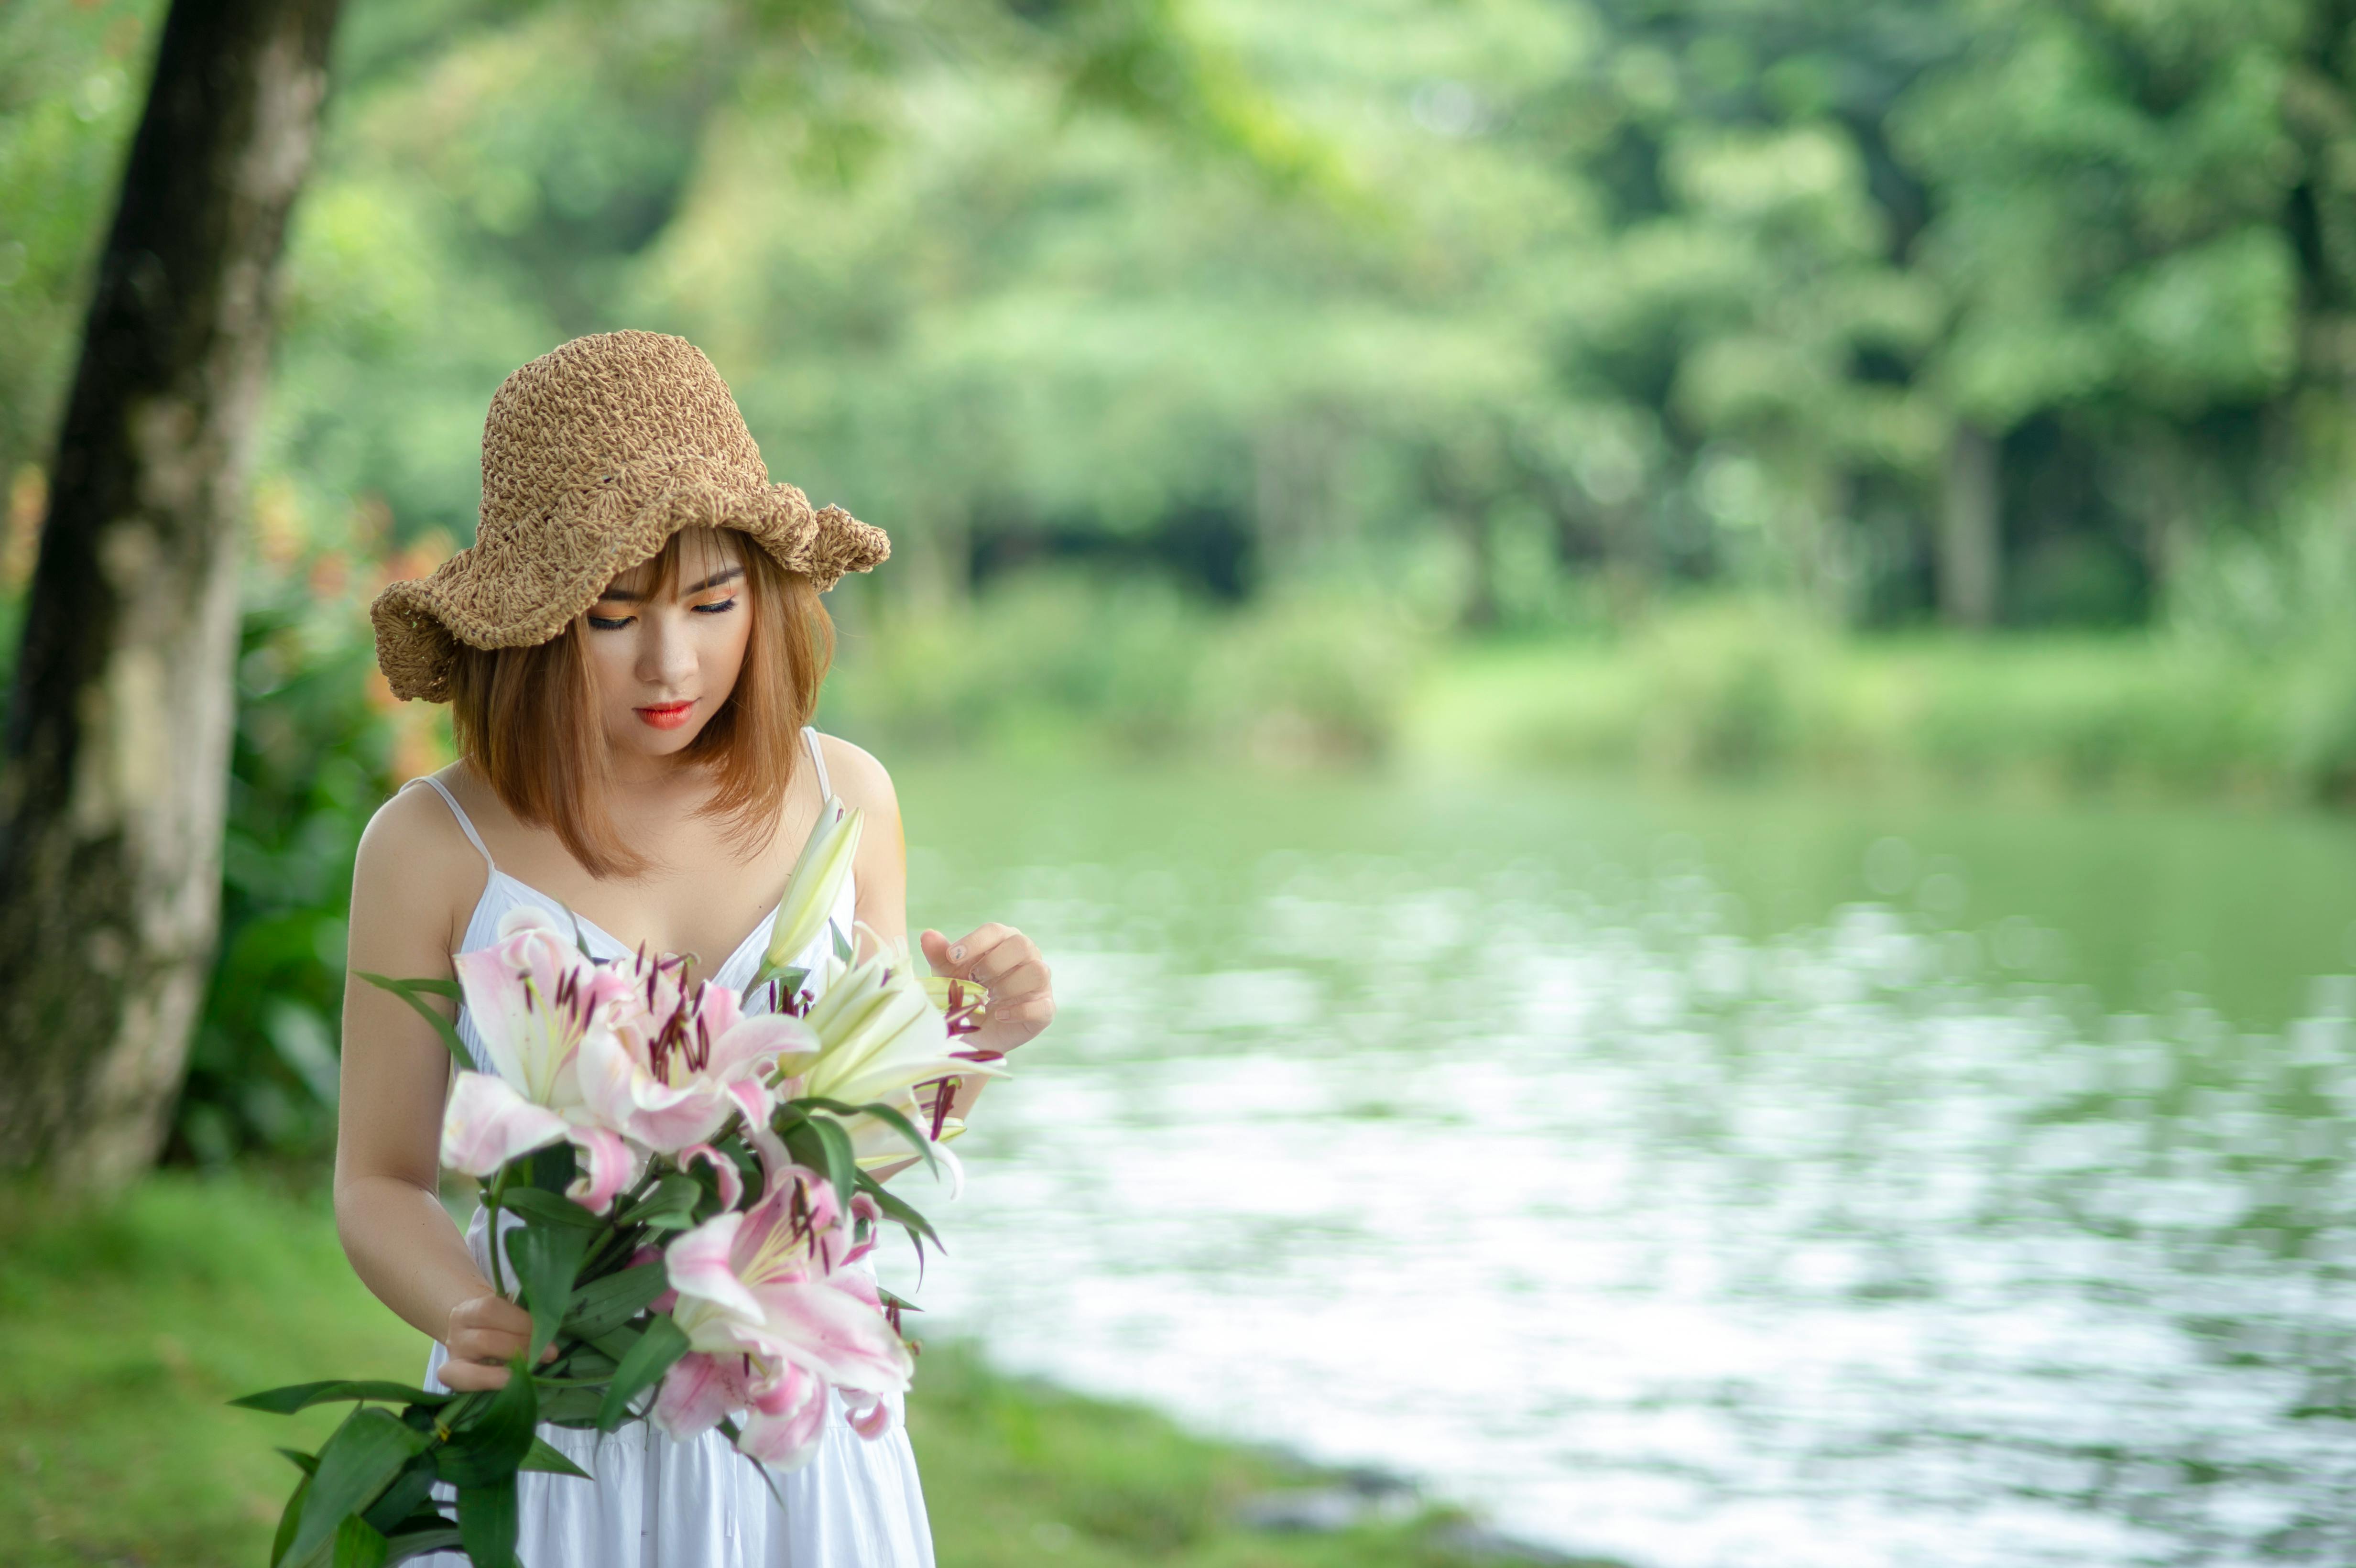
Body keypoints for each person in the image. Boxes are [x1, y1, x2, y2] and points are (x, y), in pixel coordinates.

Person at [334, 329, 1054, 1565]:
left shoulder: (847, 797)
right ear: (536, 619)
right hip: (556, 1422)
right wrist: (468, 1307)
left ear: (765, 599)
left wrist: (979, 1040)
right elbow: (379, 1180)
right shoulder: (433, 843)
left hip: (798, 1430)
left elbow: (866, 1137)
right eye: (614, 617)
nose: (673, 664)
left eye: (714, 605)